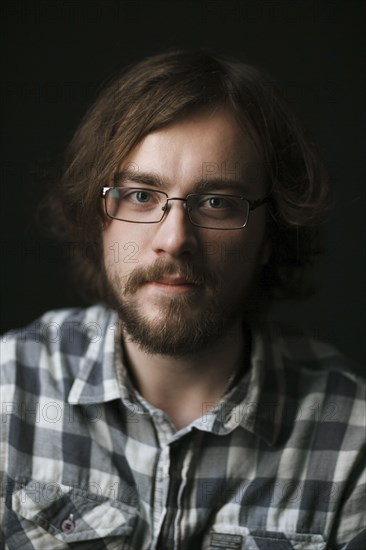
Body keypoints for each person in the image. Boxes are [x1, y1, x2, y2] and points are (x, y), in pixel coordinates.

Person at [0, 49, 365, 550]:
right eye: (141, 196)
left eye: (217, 202)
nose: (174, 239)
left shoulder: (351, 440)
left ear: (269, 236)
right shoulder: (9, 389)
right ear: (99, 216)